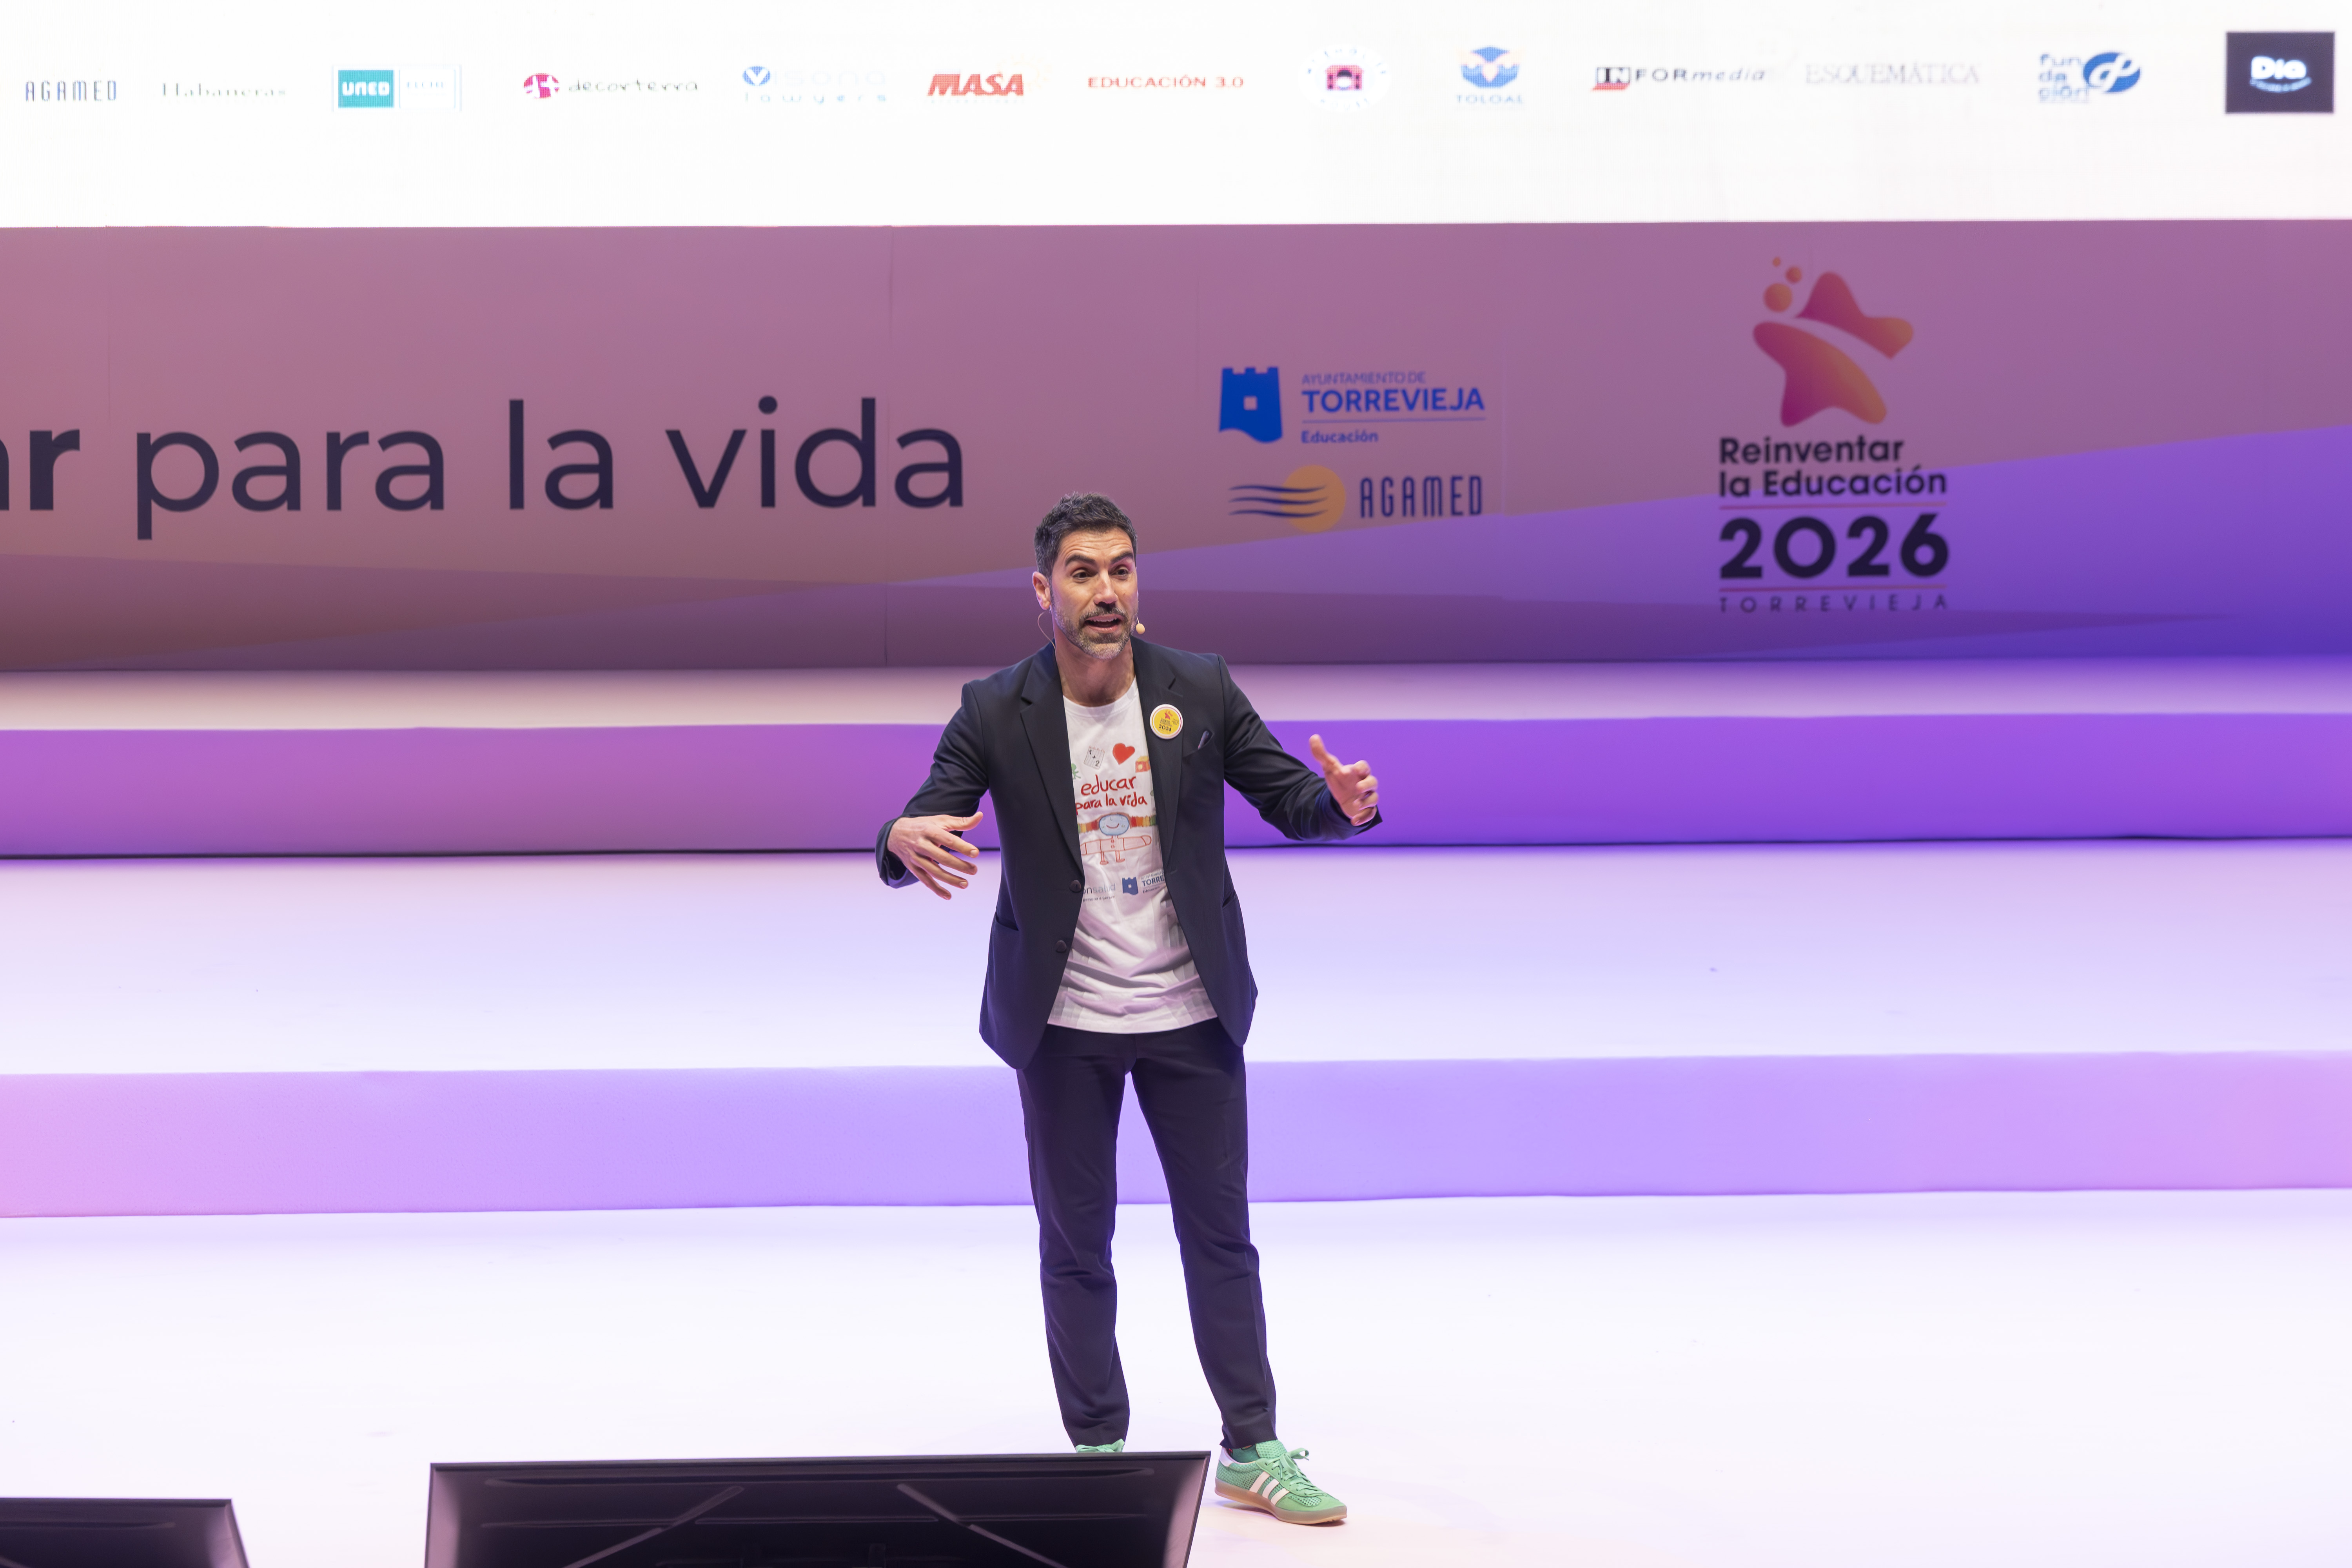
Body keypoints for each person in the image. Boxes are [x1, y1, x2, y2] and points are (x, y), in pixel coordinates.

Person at [877, 492, 1380, 1526]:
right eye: (1082, 573)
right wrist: (896, 839)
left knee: (1222, 1240)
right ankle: (1098, 1453)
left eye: (1120, 569)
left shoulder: (1199, 687)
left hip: (1191, 1014)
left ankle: (1253, 1449)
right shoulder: (995, 708)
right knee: (1077, 1247)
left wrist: (1341, 807)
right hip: (1063, 1024)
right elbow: (924, 812)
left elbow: (1290, 798)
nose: (1105, 591)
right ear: (1043, 591)